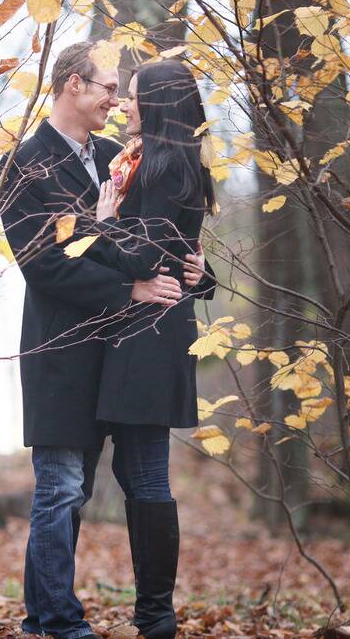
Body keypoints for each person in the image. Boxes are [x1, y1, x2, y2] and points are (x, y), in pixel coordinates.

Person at [0, 42, 209, 639]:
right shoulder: (25, 164)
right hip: (62, 350)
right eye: (108, 89)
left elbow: (164, 236)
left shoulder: (123, 156)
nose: (117, 102)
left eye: (123, 93)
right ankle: (60, 622)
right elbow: (43, 265)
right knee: (62, 489)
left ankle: (44, 621)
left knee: (101, 488)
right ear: (72, 86)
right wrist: (129, 293)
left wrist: (199, 272)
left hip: (123, 358)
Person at [91, 59, 219, 639]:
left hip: (151, 333)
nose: (125, 104)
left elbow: (143, 256)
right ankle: (154, 614)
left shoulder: (162, 168)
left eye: (136, 96)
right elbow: (178, 251)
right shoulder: (164, 162)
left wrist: (101, 222)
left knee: (143, 471)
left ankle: (155, 617)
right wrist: (202, 273)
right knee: (137, 467)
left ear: (161, 102)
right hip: (153, 326)